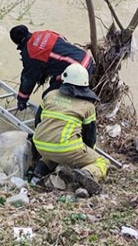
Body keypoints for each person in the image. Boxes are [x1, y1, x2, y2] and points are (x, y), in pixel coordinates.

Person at [31, 63, 107, 195]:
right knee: (102, 161)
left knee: (53, 154)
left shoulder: (50, 95)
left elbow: (38, 121)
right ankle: (87, 173)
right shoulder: (88, 106)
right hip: (65, 148)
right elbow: (90, 137)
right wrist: (85, 155)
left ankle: (39, 171)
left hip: (40, 144)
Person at [9, 25, 94, 112]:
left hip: (78, 71)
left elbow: (29, 79)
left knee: (48, 96)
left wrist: (22, 99)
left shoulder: (31, 53)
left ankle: (54, 117)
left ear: (18, 42)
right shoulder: (45, 33)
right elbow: (61, 45)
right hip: (87, 60)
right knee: (54, 82)